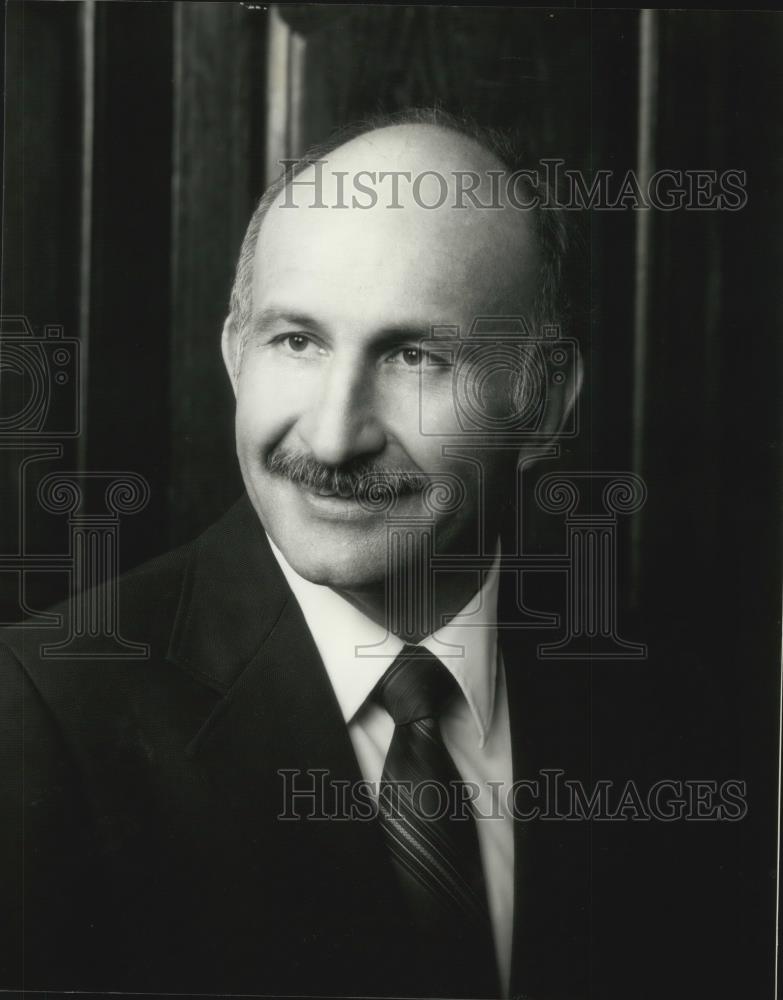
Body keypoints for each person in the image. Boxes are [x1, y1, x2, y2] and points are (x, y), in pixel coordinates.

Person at [0, 109, 736, 1000]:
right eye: (296, 341)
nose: (335, 434)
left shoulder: (679, 715)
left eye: (416, 355)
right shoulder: (40, 718)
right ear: (236, 357)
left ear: (542, 402)